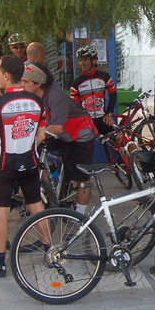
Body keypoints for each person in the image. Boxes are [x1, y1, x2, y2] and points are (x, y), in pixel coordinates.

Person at [0, 55, 47, 277]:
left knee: (1, 211)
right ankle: (50, 250)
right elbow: (41, 135)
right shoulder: (37, 101)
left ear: (6, 75)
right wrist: (27, 147)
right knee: (36, 205)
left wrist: (0, 156)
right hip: (29, 162)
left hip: (5, 164)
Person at [24, 61, 96, 215]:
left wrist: (33, 140)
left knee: (82, 179)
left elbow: (57, 128)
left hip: (79, 135)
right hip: (62, 133)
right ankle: (48, 187)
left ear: (38, 83)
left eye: (25, 81)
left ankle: (80, 217)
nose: (22, 85)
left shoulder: (54, 96)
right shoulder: (35, 96)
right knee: (34, 152)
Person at [70, 45, 117, 136]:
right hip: (86, 122)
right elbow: (74, 105)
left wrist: (109, 114)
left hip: (102, 119)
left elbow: (113, 95)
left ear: (94, 60)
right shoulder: (76, 82)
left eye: (85, 60)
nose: (82, 63)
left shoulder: (104, 77)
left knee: (116, 140)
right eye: (80, 60)